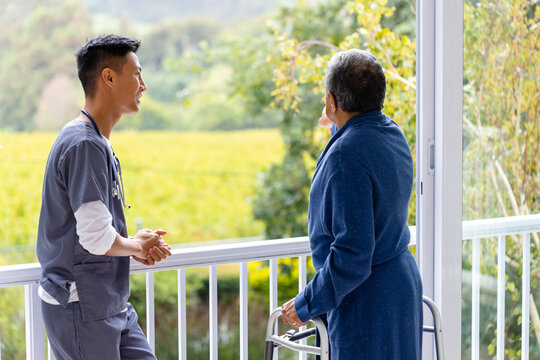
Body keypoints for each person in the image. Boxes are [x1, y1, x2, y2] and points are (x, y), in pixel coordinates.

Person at [36, 34, 172, 360]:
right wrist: (137, 246)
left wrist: (133, 244)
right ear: (108, 77)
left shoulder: (98, 142)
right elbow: (96, 237)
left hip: (110, 303)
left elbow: (100, 232)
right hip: (81, 305)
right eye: (136, 73)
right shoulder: (84, 143)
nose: (144, 85)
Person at [281, 49, 423, 359]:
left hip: (367, 301)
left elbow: (352, 255)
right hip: (400, 287)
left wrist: (306, 303)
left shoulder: (344, 156)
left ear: (331, 100)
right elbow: (355, 137)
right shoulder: (390, 132)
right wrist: (334, 120)